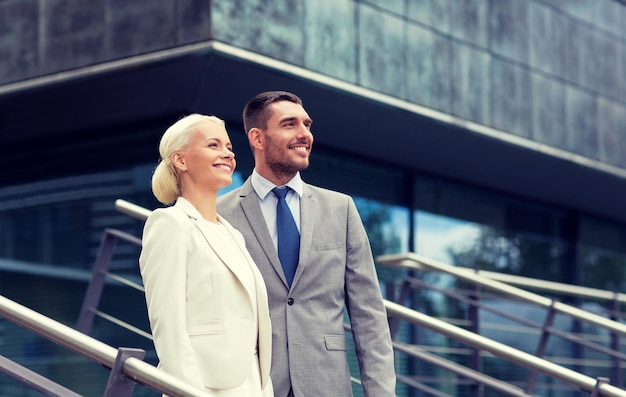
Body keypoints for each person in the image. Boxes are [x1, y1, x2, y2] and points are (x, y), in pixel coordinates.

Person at [217, 91, 396, 397]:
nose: (305, 135)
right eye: (290, 125)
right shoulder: (220, 214)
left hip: (325, 384)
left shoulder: (341, 210)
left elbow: (369, 316)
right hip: (252, 386)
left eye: (307, 125)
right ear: (258, 138)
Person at [139, 114, 274, 396]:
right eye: (213, 145)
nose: (227, 153)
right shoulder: (170, 224)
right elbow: (169, 328)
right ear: (181, 160)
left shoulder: (232, 235)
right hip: (206, 388)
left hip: (251, 386)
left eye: (228, 147)